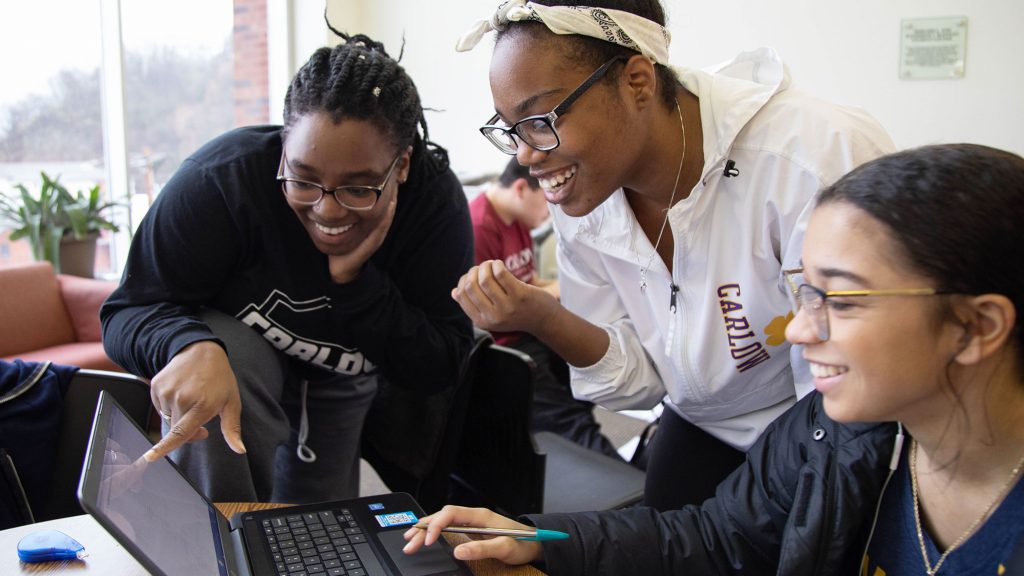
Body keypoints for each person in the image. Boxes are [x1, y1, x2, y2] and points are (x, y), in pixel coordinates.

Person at [407, 143, 1024, 575]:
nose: (800, 331)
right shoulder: (832, 437)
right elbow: (710, 535)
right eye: (803, 291)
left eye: (840, 298)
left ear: (976, 325)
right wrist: (539, 538)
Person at [450, 0, 895, 510]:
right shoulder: (585, 196)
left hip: (821, 424)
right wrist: (544, 317)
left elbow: (851, 395)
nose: (526, 155)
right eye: (511, 129)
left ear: (637, 81)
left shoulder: (809, 160)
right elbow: (640, 385)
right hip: (701, 423)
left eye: (540, 119)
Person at [100, 28, 474, 504]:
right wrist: (186, 344)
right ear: (283, 146)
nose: (328, 210)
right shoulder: (221, 181)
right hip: (239, 359)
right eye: (303, 180)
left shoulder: (432, 206)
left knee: (318, 531)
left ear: (401, 165)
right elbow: (125, 310)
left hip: (344, 370)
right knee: (224, 386)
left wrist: (356, 285)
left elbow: (441, 363)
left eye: (359, 188)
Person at [471, 158, 622, 459]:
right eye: (547, 196)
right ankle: (626, 485)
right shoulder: (478, 227)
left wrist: (559, 288)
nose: (551, 208)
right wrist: (561, 290)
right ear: (520, 189)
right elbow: (489, 310)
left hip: (529, 330)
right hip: (507, 346)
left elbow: (528, 280)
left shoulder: (518, 218)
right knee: (567, 419)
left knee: (587, 382)